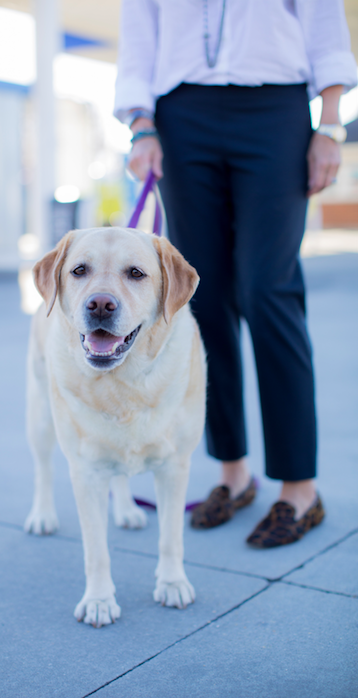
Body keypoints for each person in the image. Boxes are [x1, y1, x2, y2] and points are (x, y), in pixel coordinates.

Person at [114, 0, 357, 547]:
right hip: (180, 117)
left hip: (275, 110)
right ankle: (232, 472)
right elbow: (140, 36)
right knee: (202, 297)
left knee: (267, 289)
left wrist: (332, 124)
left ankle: (300, 487)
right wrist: (140, 125)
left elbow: (322, 22)